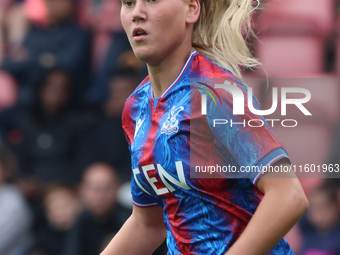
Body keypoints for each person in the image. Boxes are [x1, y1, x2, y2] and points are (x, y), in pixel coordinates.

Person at [101, 0, 309, 255]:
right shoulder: (136, 108)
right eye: (128, 3)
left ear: (191, 9)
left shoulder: (216, 93)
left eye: (153, 0)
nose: (137, 14)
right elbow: (148, 223)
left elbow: (288, 196)